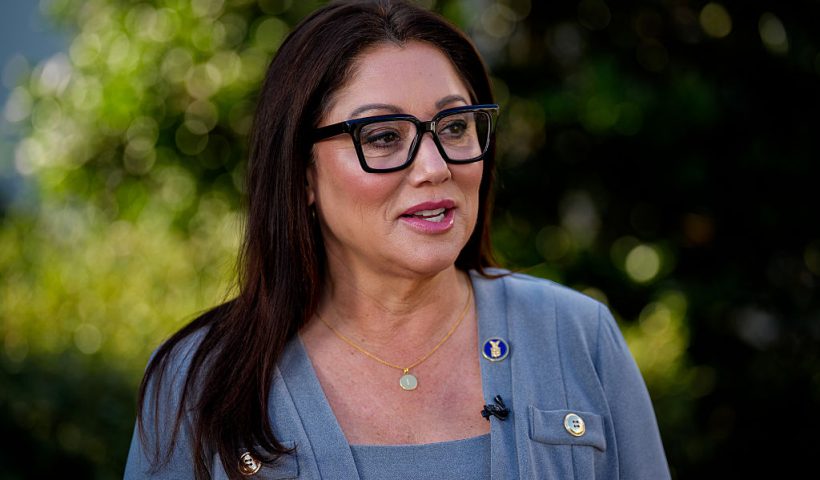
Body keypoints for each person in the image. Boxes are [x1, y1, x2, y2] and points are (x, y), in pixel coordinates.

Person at [124, 0, 670, 478]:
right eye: (383, 137)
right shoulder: (197, 380)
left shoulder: (578, 339)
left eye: (455, 126)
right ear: (302, 173)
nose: (434, 167)